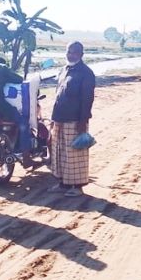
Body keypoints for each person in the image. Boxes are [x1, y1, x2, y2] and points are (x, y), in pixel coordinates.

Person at [48, 41, 96, 197]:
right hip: (59, 118)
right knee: (59, 151)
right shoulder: (64, 70)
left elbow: (87, 99)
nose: (71, 55)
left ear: (81, 55)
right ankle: (63, 183)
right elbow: (58, 93)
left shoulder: (86, 73)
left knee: (75, 153)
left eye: (75, 52)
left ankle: (77, 187)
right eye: (69, 51)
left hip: (75, 120)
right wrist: (53, 118)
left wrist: (83, 121)